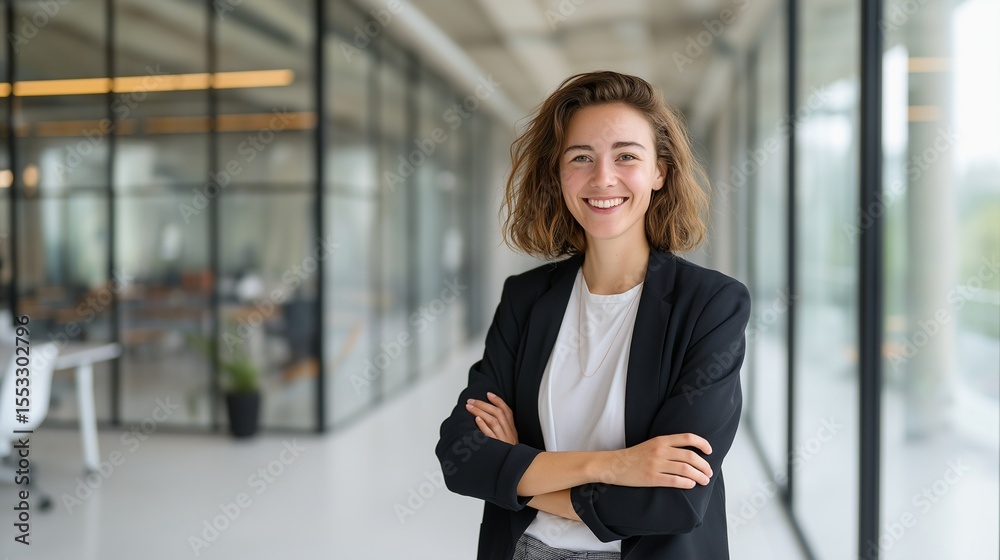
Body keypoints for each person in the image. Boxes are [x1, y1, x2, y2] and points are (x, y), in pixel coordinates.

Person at [435, 70, 751, 560]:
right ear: (559, 175)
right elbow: (462, 455)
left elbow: (676, 498)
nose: (603, 177)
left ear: (660, 172)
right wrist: (618, 465)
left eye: (627, 156)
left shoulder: (712, 304)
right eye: (581, 157)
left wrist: (520, 475)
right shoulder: (525, 296)